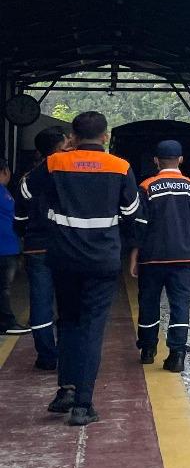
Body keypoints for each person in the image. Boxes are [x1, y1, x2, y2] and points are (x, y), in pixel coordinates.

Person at [20, 111, 139, 426]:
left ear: (72, 136)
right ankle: (83, 405)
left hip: (64, 258)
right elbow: (131, 211)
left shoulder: (55, 163)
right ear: (106, 136)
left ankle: (65, 391)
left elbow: (25, 193)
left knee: (68, 322)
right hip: (102, 260)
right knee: (91, 328)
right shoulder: (120, 166)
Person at [129, 140, 190, 373]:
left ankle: (148, 350)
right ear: (181, 160)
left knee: (148, 302)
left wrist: (133, 255)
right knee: (180, 304)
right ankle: (177, 353)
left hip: (152, 258)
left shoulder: (147, 186)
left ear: (156, 160)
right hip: (183, 258)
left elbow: (140, 225)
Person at [15, 126, 71, 368]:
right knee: (69, 300)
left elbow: (19, 219)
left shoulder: (28, 179)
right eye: (67, 144)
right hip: (66, 247)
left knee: (40, 302)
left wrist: (26, 237)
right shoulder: (68, 176)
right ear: (59, 148)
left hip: (36, 248)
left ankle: (47, 357)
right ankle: (70, 354)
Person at [0, 160, 25, 336]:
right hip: (5, 248)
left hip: (9, 246)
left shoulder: (4, 192)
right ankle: (6, 322)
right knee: (3, 287)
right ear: (4, 171)